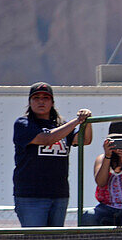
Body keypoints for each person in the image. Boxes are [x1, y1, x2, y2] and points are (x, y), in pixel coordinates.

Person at [12, 82, 92, 227]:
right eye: (36, 98)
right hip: (31, 196)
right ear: (29, 102)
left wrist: (87, 121)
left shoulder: (61, 125)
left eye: (45, 98)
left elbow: (84, 140)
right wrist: (77, 121)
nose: (41, 101)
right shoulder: (23, 124)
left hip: (58, 194)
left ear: (52, 102)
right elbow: (47, 138)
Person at [81, 121, 122, 230]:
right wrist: (108, 156)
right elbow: (101, 182)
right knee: (89, 217)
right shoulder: (101, 159)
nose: (118, 144)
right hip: (107, 207)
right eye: (115, 140)